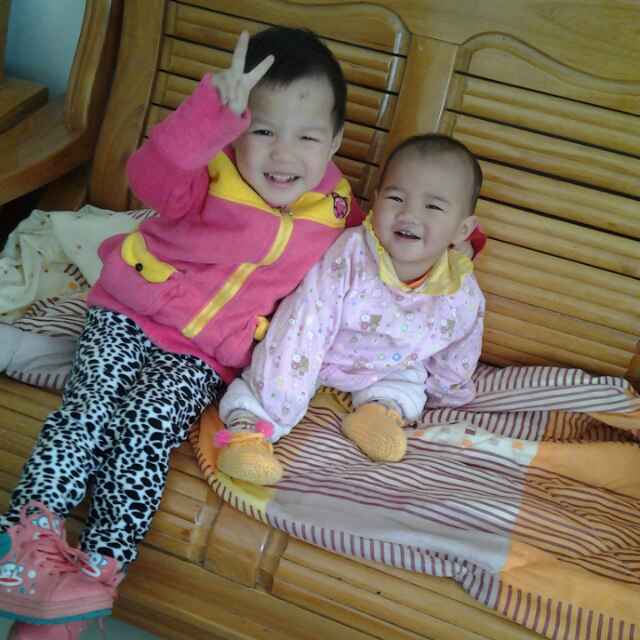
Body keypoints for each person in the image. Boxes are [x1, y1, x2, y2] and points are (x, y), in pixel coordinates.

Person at [0, 26, 358, 639]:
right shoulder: (206, 169)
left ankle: (91, 582)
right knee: (91, 408)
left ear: (336, 142)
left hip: (203, 355)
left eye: (307, 137)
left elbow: (374, 262)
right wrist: (208, 115)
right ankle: (25, 547)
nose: (283, 155)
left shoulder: (336, 211)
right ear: (236, 129)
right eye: (262, 131)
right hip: (127, 310)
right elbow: (150, 175)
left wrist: (451, 247)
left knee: (144, 431)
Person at [216, 134, 486, 485]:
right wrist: (284, 400)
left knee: (408, 386)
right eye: (396, 198)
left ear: (462, 229)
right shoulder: (350, 254)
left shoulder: (458, 289)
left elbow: (461, 339)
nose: (409, 214)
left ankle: (378, 413)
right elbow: (305, 323)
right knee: (266, 379)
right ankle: (247, 437)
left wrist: (448, 389)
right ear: (376, 200)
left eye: (433, 207)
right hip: (314, 355)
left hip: (386, 367)